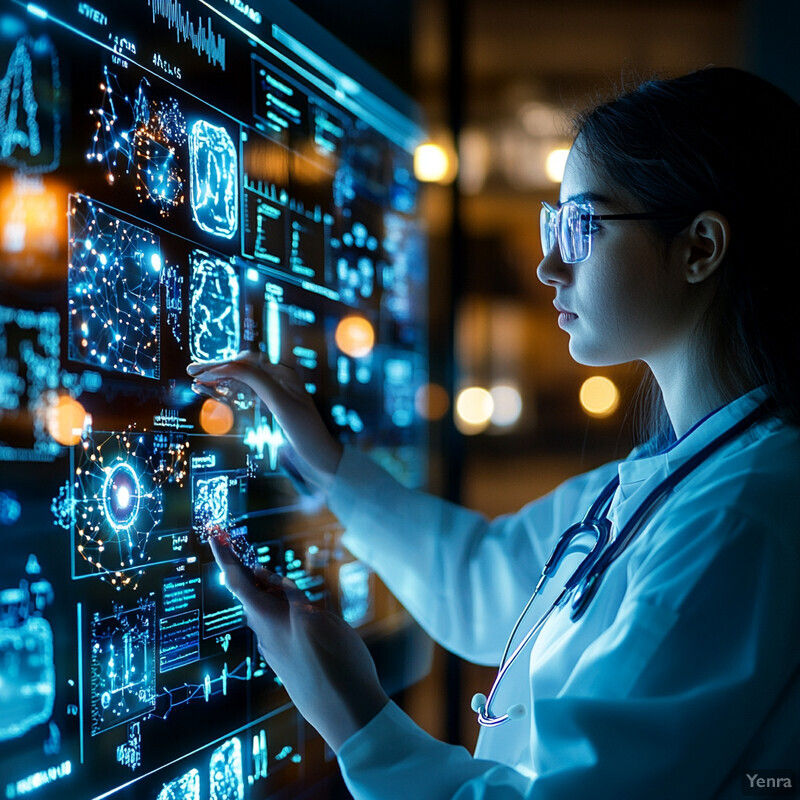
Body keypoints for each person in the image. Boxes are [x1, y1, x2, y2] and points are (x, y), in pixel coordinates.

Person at [186, 67, 800, 798]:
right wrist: (329, 463)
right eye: (553, 225)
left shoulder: (740, 513)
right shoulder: (674, 473)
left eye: (581, 227)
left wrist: (359, 722)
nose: (547, 266)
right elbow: (484, 578)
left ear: (700, 248)